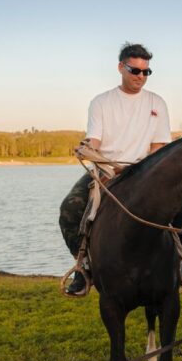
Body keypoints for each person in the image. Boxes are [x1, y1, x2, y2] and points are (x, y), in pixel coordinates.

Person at [59, 42, 171, 296]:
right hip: (106, 172)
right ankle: (85, 267)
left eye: (146, 72)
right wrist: (87, 148)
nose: (141, 77)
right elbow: (94, 140)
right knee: (69, 209)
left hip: (146, 173)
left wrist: (140, 170)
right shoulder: (101, 102)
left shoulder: (157, 103)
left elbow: (160, 145)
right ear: (121, 67)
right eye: (135, 71)